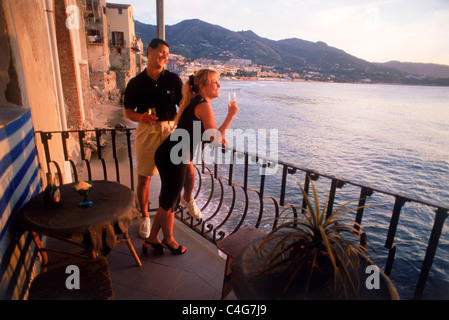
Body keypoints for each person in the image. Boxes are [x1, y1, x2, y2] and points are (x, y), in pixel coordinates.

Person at [143, 69, 238, 255]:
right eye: (215, 82)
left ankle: (151, 239)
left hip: (171, 154)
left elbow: (198, 132)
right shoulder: (203, 106)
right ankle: (168, 240)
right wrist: (231, 115)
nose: (219, 85)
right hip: (175, 158)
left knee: (168, 200)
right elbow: (214, 138)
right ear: (202, 86)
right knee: (168, 202)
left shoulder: (195, 103)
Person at [124, 38, 194, 239]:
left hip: (170, 130)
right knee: (144, 177)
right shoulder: (135, 83)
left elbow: (184, 105)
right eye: (161, 52)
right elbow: (128, 112)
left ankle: (180, 204)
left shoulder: (173, 79)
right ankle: (145, 217)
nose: (164, 56)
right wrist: (141, 117)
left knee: (178, 175)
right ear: (150, 51)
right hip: (148, 131)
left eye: (167, 54)